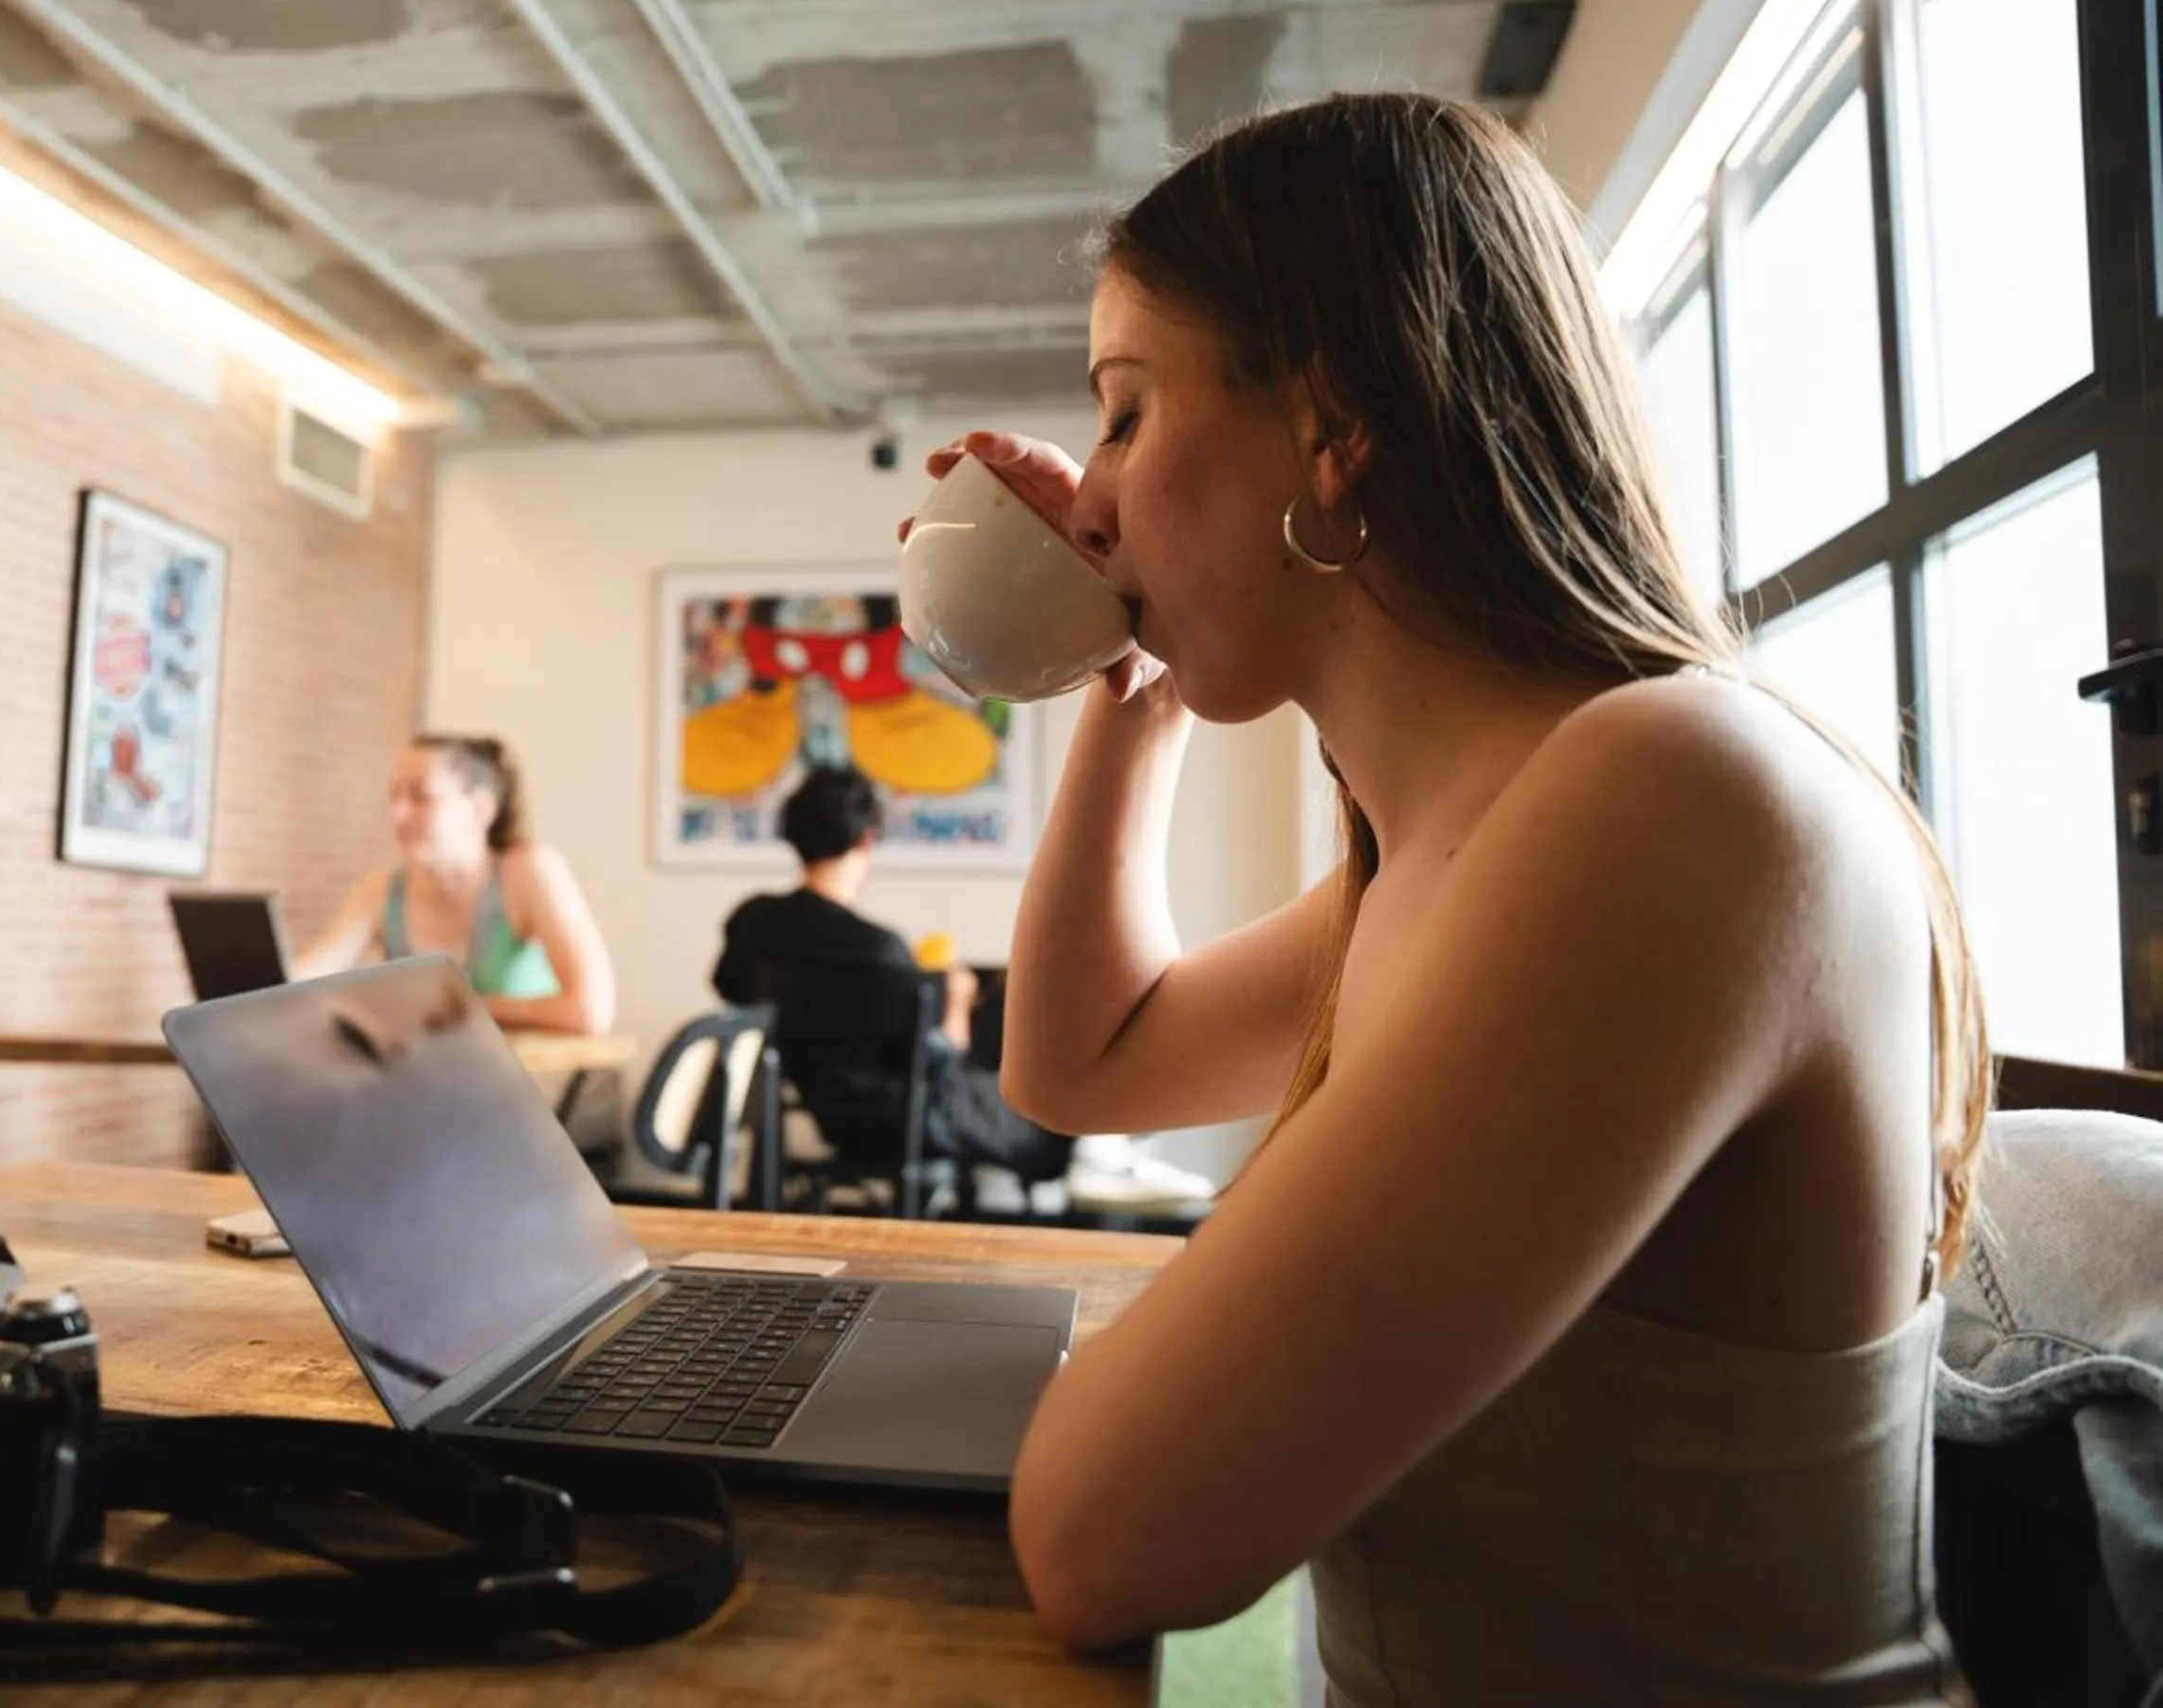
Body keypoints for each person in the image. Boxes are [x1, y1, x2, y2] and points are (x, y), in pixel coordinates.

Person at [953, 93, 1985, 1703]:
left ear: (1334, 424)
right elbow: (1078, 1065)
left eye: (1126, 415)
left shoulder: (1671, 803)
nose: (1090, 492)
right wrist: (1126, 661)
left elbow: (1102, 1533)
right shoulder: (1456, 838)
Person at [713, 766, 1211, 1207]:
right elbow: (942, 1054)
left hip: (831, 1111)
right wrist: (954, 999)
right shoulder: (879, 951)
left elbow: (732, 989)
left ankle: (1103, 1149)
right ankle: (1100, 1152)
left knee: (1002, 1028)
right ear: (868, 838)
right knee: (1031, 1078)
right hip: (909, 1116)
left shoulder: (752, 925)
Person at [298, 735, 617, 1038]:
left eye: (420, 797)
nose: (398, 813)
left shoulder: (530, 872)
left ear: (481, 809)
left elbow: (591, 1012)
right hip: (432, 1083)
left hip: (531, 1083)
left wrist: (461, 1007)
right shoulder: (381, 891)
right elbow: (296, 983)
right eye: (394, 796)